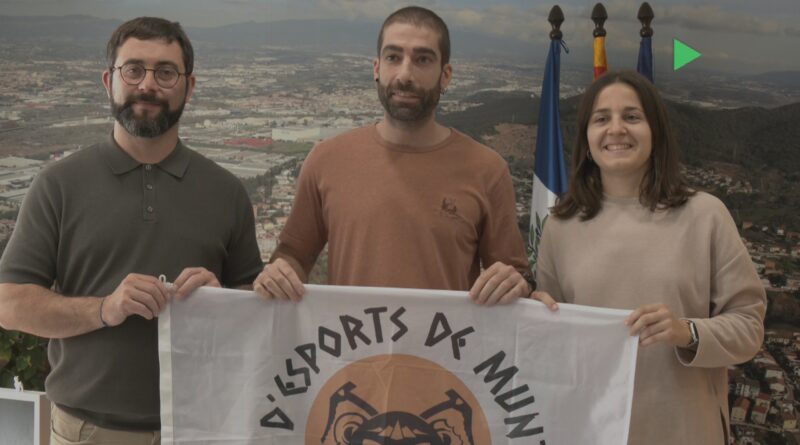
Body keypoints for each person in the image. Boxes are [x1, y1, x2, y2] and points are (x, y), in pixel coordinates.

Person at [0, 17, 263, 445]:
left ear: (189, 87)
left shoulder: (226, 191)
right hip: (90, 431)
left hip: (204, 427)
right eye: (134, 69)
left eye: (166, 72)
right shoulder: (58, 185)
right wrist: (104, 309)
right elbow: (9, 303)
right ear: (110, 81)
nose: (148, 84)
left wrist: (222, 301)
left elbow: (258, 309)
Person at [534, 70, 766, 444]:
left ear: (655, 131)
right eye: (601, 119)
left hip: (684, 431)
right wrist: (533, 313)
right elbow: (552, 341)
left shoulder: (705, 215)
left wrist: (687, 332)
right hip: (591, 430)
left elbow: (749, 328)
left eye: (632, 116)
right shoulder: (560, 226)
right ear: (586, 138)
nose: (616, 129)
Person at [253, 6, 534, 305]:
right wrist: (279, 273)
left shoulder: (487, 170)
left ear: (446, 75)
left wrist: (518, 283)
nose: (405, 74)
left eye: (422, 59)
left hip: (445, 338)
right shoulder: (325, 160)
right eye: (393, 57)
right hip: (351, 337)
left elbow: (515, 274)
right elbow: (294, 255)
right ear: (377, 68)